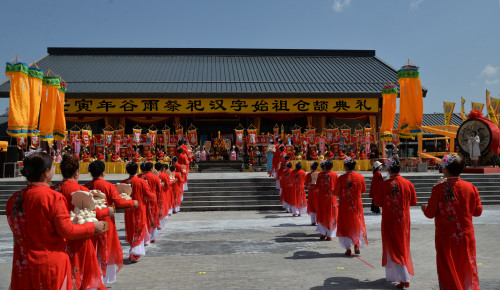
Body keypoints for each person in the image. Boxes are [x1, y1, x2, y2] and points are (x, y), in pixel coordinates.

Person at [6, 152, 107, 289]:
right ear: (47, 172)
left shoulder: (14, 199)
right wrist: (92, 227)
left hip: (22, 264)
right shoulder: (52, 197)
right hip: (49, 264)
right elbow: (67, 230)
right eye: (52, 167)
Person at [421, 154, 482, 289]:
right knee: (466, 267)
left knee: (447, 268)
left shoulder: (438, 189)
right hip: (466, 236)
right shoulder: (471, 188)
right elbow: (477, 212)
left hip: (446, 238)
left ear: (446, 170)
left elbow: (430, 213)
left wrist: (424, 207)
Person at [53, 154, 111, 289]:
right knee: (81, 270)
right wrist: (107, 211)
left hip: (59, 237)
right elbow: (92, 212)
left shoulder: (54, 189)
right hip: (80, 236)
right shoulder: (82, 190)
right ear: (77, 172)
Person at [86, 160, 138, 284]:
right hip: (105, 220)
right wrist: (132, 202)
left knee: (93, 248)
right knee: (105, 248)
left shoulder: (87, 186)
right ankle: (101, 277)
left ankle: (93, 275)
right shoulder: (108, 186)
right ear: (103, 172)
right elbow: (118, 202)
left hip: (90, 220)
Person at [374, 157, 417, 289]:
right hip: (403, 219)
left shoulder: (385, 184)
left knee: (393, 246)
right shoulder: (408, 183)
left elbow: (377, 202)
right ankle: (395, 275)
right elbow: (414, 202)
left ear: (389, 169)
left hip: (389, 219)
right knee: (401, 245)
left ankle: (404, 277)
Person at [121, 162, 156, 263]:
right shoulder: (141, 181)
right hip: (139, 209)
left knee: (132, 229)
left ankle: (134, 250)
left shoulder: (124, 182)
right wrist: (153, 195)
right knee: (139, 229)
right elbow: (148, 194)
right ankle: (134, 252)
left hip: (128, 209)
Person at [333, 157, 368, 255]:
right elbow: (364, 190)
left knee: (346, 225)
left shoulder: (341, 178)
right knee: (356, 224)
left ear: (346, 166)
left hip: (345, 206)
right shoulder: (360, 177)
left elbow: (336, 192)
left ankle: (348, 248)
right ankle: (356, 243)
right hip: (356, 205)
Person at [138, 162, 162, 242]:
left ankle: (144, 237)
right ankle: (152, 236)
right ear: (151, 169)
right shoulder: (155, 177)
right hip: (152, 199)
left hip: (142, 199)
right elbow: (159, 189)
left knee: (143, 217)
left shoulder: (139, 177)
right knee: (153, 216)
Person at [316, 159, 339, 241]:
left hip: (322, 197)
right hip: (332, 197)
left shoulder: (320, 175)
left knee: (323, 214)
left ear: (324, 166)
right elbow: (337, 187)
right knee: (331, 214)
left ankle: (323, 233)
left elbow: (317, 186)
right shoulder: (335, 175)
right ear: (332, 166)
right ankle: (330, 234)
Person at [305, 161, 319, 225]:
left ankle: (313, 221)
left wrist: (310, 185)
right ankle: (318, 220)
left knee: (312, 206)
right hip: (317, 192)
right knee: (317, 206)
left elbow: (306, 184)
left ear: (311, 168)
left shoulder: (308, 175)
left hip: (311, 192)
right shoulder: (319, 175)